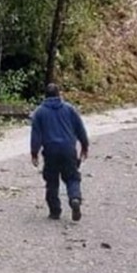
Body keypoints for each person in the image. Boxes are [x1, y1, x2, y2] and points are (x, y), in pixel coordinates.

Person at [30, 83, 89, 221]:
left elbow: (36, 136)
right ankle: (74, 198)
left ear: (45, 96)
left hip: (50, 151)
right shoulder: (69, 109)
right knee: (72, 177)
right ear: (59, 94)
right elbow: (80, 128)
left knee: (51, 181)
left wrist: (34, 153)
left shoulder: (39, 112)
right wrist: (84, 145)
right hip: (68, 149)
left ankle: (55, 211)